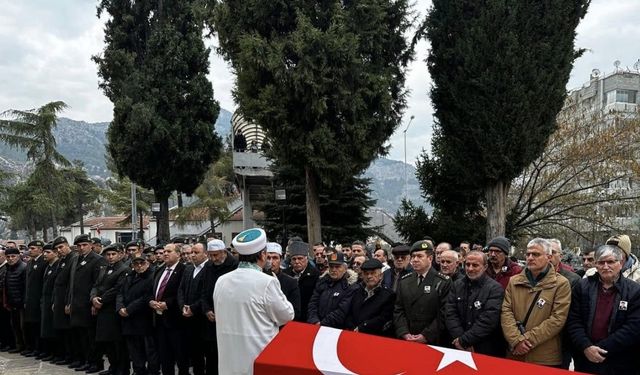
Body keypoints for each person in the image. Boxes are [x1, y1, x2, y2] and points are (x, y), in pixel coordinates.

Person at [213, 228, 294, 375]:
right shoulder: (267, 282)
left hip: (229, 362)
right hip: (258, 359)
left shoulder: (221, 280)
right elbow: (287, 315)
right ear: (262, 255)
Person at [567, 244, 640, 374]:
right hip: (585, 359)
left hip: (620, 361)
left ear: (621, 263)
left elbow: (633, 327)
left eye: (611, 262)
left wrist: (601, 349)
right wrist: (586, 347)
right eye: (601, 262)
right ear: (596, 264)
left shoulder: (635, 291)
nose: (606, 266)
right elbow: (573, 320)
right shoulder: (582, 287)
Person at [501, 238, 571, 367]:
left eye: (536, 254)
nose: (530, 258)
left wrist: (526, 341)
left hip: (544, 356)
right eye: (528, 254)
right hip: (515, 353)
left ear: (549, 257)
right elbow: (506, 312)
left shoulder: (561, 284)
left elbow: (557, 319)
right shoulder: (514, 281)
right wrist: (516, 340)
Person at [445, 250, 505, 357]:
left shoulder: (495, 289)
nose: (470, 268)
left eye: (475, 265)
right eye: (467, 264)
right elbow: (450, 313)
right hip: (457, 345)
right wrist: (460, 340)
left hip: (484, 348)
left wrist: (465, 340)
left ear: (485, 267)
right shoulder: (456, 285)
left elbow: (488, 320)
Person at [394, 240, 451, 345]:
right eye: (413, 256)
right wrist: (404, 332)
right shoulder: (404, 281)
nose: (415, 260)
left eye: (420, 256)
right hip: (408, 338)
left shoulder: (443, 282)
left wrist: (426, 335)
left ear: (430, 258)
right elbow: (398, 309)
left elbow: (444, 314)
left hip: (431, 340)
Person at [68, 234, 107, 373]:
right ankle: (86, 360)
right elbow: (72, 283)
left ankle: (96, 362)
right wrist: (69, 301)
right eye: (79, 246)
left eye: (84, 245)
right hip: (77, 304)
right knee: (81, 336)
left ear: (90, 244)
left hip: (88, 304)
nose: (81, 248)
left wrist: (94, 303)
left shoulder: (98, 260)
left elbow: (99, 283)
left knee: (91, 337)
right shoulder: (76, 259)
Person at [200, 239, 238, 375]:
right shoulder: (208, 266)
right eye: (210, 255)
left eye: (216, 255)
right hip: (211, 320)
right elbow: (203, 292)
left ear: (223, 252)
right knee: (211, 358)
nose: (213, 258)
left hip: (229, 320)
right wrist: (207, 310)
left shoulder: (235, 266)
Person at [90, 243, 129, 375]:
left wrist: (101, 300)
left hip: (112, 310)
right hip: (102, 310)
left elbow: (117, 288)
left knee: (117, 342)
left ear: (119, 254)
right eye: (108, 254)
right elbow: (96, 285)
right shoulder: (104, 268)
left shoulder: (124, 269)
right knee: (107, 341)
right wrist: (93, 298)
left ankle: (122, 369)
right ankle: (113, 367)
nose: (110, 257)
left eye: (113, 254)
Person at [149, 243, 187, 375]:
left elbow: (183, 293)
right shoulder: (160, 270)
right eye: (164, 251)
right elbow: (152, 290)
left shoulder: (184, 270)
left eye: (169, 251)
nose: (165, 254)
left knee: (181, 356)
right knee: (165, 357)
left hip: (176, 321)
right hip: (159, 320)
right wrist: (151, 301)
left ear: (178, 254)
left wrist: (168, 304)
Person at [117, 255, 159, 375]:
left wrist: (129, 309)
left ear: (147, 263)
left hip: (143, 319)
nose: (139, 266)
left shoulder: (152, 277)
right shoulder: (129, 276)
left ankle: (153, 371)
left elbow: (146, 297)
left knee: (149, 351)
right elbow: (120, 292)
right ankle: (138, 370)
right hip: (129, 320)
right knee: (134, 351)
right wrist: (120, 307)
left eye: (142, 263)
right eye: (136, 264)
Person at [177, 242, 208, 375]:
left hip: (202, 318)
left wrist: (193, 308)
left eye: (196, 253)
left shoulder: (209, 269)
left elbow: (207, 294)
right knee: (193, 353)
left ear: (205, 253)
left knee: (204, 353)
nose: (192, 255)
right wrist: (182, 306)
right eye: (191, 253)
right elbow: (181, 290)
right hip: (187, 318)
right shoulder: (189, 269)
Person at [344, 259, 395, 336]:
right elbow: (349, 312)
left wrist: (362, 327)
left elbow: (383, 318)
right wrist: (352, 327)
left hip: (373, 337)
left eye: (373, 273)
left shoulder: (388, 295)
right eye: (366, 274)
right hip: (353, 333)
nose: (369, 276)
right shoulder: (357, 291)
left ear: (381, 275)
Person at [307, 252, 356, 328]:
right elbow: (313, 303)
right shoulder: (322, 282)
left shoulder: (351, 286)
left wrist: (322, 324)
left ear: (345, 268)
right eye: (331, 267)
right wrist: (314, 320)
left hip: (336, 329)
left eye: (337, 267)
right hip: (316, 325)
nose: (334, 270)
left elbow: (342, 311)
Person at [50, 236, 77, 365]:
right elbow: (57, 282)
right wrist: (55, 300)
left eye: (61, 247)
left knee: (68, 332)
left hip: (66, 299)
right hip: (59, 299)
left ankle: (71, 356)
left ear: (67, 245)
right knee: (60, 329)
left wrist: (68, 302)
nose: (59, 250)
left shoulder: (73, 259)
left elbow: (70, 283)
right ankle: (65, 355)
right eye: (56, 249)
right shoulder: (62, 260)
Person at [283, 241, 319, 323]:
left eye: (300, 258)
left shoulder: (315, 274)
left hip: (307, 317)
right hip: (289, 317)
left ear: (306, 259)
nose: (297, 262)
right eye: (294, 259)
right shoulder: (285, 274)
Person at [265, 242, 301, 320]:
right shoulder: (258, 279)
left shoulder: (291, 282)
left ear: (280, 260)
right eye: (268, 258)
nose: (271, 261)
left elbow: (295, 312)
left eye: (275, 258)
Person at [23, 240, 47, 358]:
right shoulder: (30, 262)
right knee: (32, 325)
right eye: (30, 248)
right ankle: (34, 348)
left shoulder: (43, 262)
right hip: (30, 299)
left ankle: (41, 349)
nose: (30, 251)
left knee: (39, 326)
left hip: (38, 299)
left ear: (40, 249)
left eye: (33, 248)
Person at [39, 242, 61, 362]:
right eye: (44, 252)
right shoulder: (48, 266)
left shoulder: (57, 265)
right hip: (46, 300)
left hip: (53, 300)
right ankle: (51, 352)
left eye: (48, 252)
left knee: (53, 329)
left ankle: (58, 353)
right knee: (47, 328)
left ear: (55, 253)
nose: (45, 254)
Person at [3, 247, 27, 354]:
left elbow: (25, 287)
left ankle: (27, 346)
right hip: (12, 302)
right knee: (15, 325)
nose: (10, 259)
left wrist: (23, 301)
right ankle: (19, 345)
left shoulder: (23, 268)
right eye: (8, 257)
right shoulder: (8, 268)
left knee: (23, 327)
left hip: (21, 302)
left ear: (18, 256)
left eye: (13, 256)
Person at [0, 248, 14, 351]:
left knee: (7, 324)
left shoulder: (6, 268)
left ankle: (9, 343)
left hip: (5, 300)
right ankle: (4, 342)